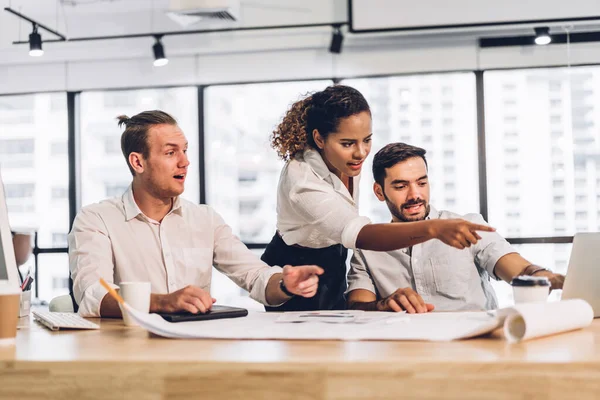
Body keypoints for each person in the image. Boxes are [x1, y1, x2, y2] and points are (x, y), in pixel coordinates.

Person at [69, 110, 324, 318]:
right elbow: (93, 295)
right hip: (127, 353)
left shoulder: (205, 219)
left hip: (194, 351)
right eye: (171, 153)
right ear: (138, 162)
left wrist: (285, 283)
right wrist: (162, 302)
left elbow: (255, 276)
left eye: (185, 150)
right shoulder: (96, 219)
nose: (185, 162)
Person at [263, 85, 495, 312]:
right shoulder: (302, 181)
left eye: (367, 139)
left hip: (334, 255)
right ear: (319, 139)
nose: (361, 152)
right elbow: (362, 236)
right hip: (296, 266)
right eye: (348, 143)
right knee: (306, 344)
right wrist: (433, 228)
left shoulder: (343, 158)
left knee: (340, 333)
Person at [347, 143, 565, 313]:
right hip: (408, 353)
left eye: (421, 183)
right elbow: (357, 309)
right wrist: (383, 304)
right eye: (401, 186)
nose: (415, 195)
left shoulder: (466, 226)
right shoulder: (367, 247)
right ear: (379, 192)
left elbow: (521, 271)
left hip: (475, 348)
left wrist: (547, 277)